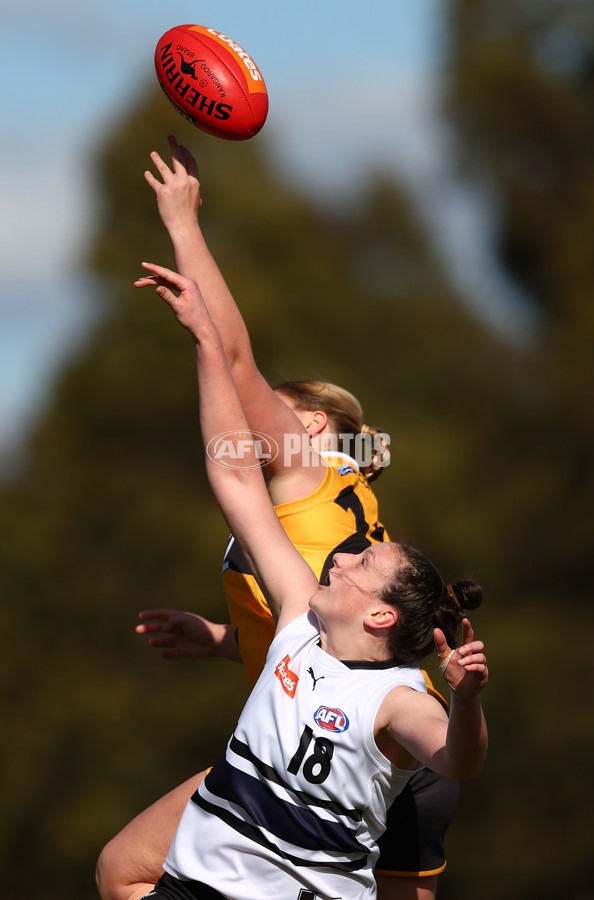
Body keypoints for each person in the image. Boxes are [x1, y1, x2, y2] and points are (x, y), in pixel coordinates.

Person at [95, 140, 461, 900]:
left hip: (342, 750)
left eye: (284, 410)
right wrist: (227, 641)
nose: (259, 416)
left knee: (127, 871)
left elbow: (231, 358)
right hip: (367, 735)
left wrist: (184, 223)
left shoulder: (302, 460)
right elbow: (326, 634)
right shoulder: (340, 482)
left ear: (319, 427)